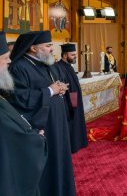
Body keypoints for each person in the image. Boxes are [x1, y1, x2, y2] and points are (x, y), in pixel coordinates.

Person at [8, 30, 76, 196]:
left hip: (57, 122)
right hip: (42, 125)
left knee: (60, 158)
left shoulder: (46, 63)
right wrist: (49, 91)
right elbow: (19, 98)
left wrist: (59, 88)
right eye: (48, 45)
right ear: (33, 48)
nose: (51, 49)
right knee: (48, 164)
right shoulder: (19, 67)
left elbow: (51, 85)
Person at [0, 31, 48, 196]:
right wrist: (35, 139)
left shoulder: (43, 65)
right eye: (5, 57)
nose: (10, 61)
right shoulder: (20, 67)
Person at [55, 43, 88, 153]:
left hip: (74, 98)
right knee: (72, 121)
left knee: (77, 120)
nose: (75, 57)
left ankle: (78, 142)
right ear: (65, 56)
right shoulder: (58, 67)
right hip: (69, 100)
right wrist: (73, 103)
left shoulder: (68, 66)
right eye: (72, 55)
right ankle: (72, 145)